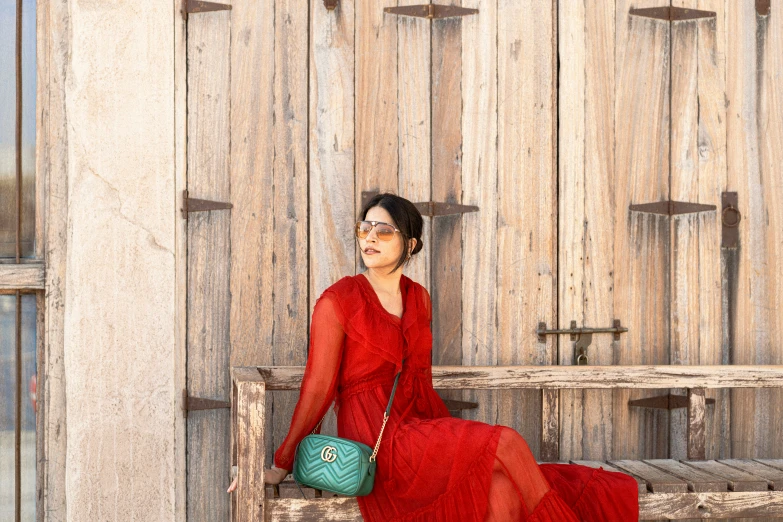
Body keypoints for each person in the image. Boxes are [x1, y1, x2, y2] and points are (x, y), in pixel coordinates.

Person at [228, 192, 639, 521]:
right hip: (376, 441)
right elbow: (318, 388)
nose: (368, 237)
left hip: (419, 426)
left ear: (410, 244)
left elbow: (419, 381)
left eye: (382, 230)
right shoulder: (339, 301)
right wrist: (281, 463)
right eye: (364, 227)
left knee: (498, 486)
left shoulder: (418, 298)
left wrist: (451, 442)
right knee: (507, 443)